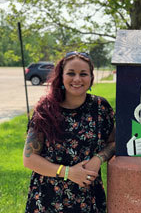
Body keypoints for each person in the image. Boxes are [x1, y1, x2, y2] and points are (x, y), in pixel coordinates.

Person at [23, 51, 115, 212]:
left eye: (83, 74)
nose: (77, 79)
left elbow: (114, 142)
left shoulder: (101, 107)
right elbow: (29, 158)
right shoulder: (46, 110)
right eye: (71, 73)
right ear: (61, 77)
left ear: (91, 78)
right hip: (47, 199)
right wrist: (68, 172)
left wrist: (99, 158)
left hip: (89, 198)